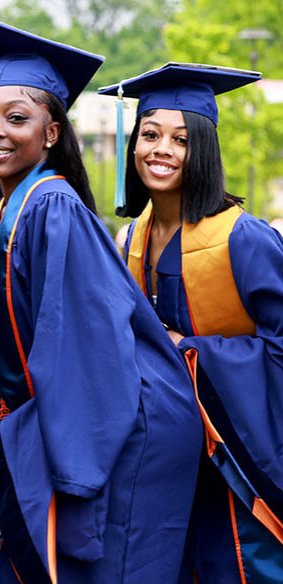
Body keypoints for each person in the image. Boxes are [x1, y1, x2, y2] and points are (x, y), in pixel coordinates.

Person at [0, 22, 201, 582]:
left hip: (115, 436)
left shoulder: (53, 207)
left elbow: (86, 348)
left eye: (16, 118)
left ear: (51, 132)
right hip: (65, 429)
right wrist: (2, 450)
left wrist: (68, 475)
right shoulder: (5, 209)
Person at [100, 63, 283, 582]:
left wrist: (188, 350)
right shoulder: (133, 238)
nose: (161, 149)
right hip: (167, 461)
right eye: (150, 134)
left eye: (180, 139)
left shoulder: (243, 240)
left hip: (239, 463)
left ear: (202, 148)